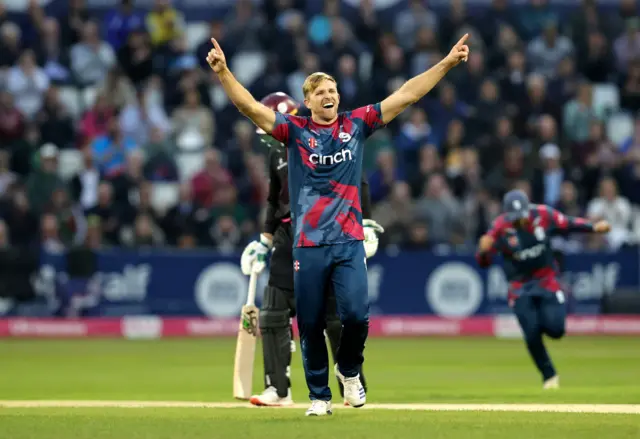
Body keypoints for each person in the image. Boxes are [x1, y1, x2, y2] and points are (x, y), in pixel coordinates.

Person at [205, 34, 470, 416]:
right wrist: (224, 72)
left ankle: (348, 371)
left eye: (333, 89)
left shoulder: (356, 124)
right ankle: (318, 398)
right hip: (308, 243)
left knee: (356, 317)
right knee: (309, 324)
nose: (330, 95)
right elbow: (248, 107)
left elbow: (408, 95)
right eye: (322, 91)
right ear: (308, 101)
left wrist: (445, 63)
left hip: (348, 240)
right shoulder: (293, 131)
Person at [240, 92, 383, 407]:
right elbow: (273, 198)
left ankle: (351, 381)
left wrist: (367, 222)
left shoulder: (318, 138)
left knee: (335, 317)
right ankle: (278, 389)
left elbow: (357, 181)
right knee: (273, 311)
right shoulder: (277, 153)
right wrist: (263, 240)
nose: (265, 133)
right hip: (287, 233)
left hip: (330, 231)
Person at [476, 190, 611, 388]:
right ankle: (549, 376)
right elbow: (484, 262)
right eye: (514, 219)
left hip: (546, 280)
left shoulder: (543, 215)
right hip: (519, 285)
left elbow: (568, 224)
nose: (519, 222)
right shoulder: (499, 228)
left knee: (556, 330)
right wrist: (483, 251)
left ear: (527, 210)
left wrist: (593, 227)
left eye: (521, 217)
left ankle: (539, 320)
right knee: (531, 333)